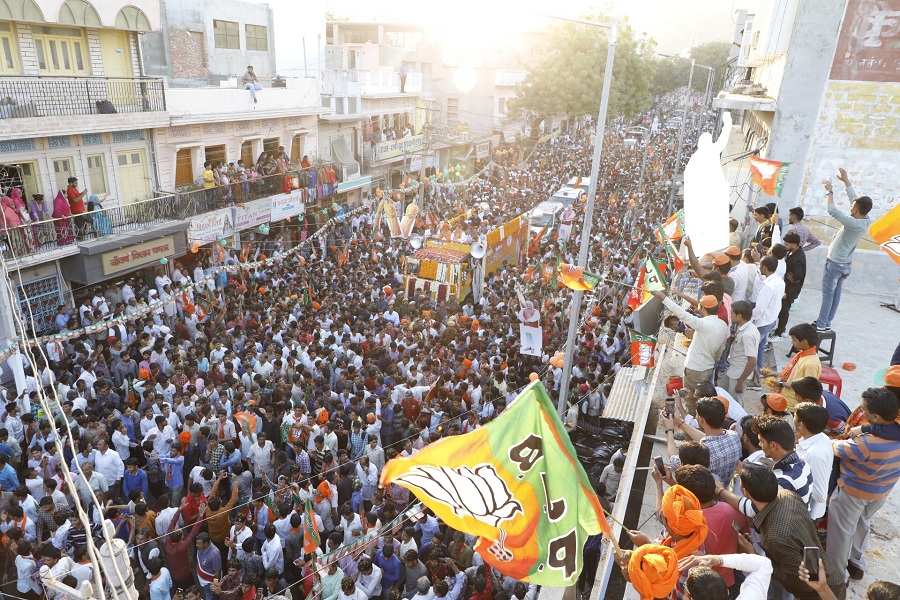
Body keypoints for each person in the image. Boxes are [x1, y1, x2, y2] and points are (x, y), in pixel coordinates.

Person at [720, 464, 845, 600]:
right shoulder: (788, 495)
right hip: (831, 576)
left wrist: (754, 555)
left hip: (819, 594)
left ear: (745, 492)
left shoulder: (776, 537)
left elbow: (799, 581)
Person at [827, 387, 900, 582]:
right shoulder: (894, 431)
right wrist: (865, 428)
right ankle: (857, 564)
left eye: (864, 410)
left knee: (841, 534)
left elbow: (835, 447)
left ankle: (836, 577)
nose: (861, 412)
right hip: (881, 492)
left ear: (875, 417)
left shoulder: (865, 444)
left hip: (853, 493)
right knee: (862, 523)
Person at [816, 168, 873, 332]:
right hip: (845, 264)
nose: (851, 206)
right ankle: (826, 322)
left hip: (835, 264)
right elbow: (854, 198)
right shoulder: (865, 219)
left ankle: (821, 325)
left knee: (828, 295)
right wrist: (846, 181)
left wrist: (830, 191)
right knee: (836, 296)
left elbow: (832, 210)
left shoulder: (853, 223)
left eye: (853, 206)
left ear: (856, 210)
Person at [653, 291, 728, 415]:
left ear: (702, 308)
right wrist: (712, 358)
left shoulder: (702, 324)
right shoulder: (723, 325)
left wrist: (663, 298)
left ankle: (692, 426)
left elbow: (681, 313)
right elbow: (721, 349)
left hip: (695, 370)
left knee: (691, 400)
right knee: (703, 398)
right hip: (708, 367)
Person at [720, 301, 758, 405]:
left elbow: (752, 361)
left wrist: (740, 382)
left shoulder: (747, 335)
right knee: (721, 392)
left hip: (738, 375)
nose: (730, 315)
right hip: (734, 369)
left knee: (735, 403)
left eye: (732, 313)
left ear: (739, 316)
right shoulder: (747, 328)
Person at [770, 231, 806, 341]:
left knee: (784, 310)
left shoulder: (798, 258)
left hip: (791, 289)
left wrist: (794, 279)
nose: (785, 246)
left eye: (786, 244)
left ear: (794, 245)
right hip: (788, 286)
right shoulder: (794, 252)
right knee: (782, 309)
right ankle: (781, 329)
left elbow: (799, 275)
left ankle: (780, 333)